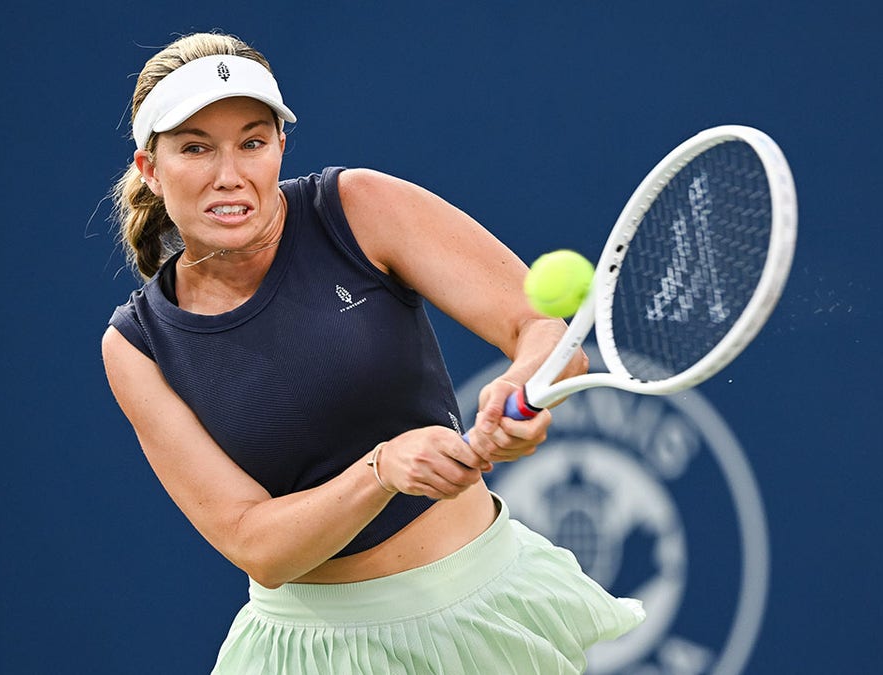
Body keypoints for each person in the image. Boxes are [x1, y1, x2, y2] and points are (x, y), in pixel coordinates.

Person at [102, 32, 644, 674]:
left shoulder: (358, 206)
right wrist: (382, 470)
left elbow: (541, 331)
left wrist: (523, 388)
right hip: (305, 654)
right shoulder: (137, 347)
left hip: (483, 610)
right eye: (196, 148)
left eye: (253, 142)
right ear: (150, 168)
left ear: (280, 146)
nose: (230, 176)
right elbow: (257, 546)